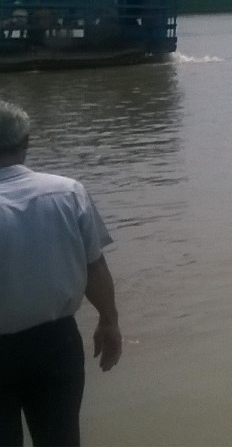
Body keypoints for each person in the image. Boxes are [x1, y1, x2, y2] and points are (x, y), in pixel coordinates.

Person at [0, 100, 121, 447]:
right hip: (56, 344)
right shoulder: (67, 192)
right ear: (26, 143)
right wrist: (109, 322)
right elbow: (94, 266)